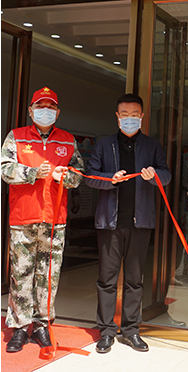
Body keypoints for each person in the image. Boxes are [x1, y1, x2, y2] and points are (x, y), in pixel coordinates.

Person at [85, 93, 171, 354]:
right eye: (125, 114)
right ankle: (106, 332)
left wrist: (154, 175)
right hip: (109, 223)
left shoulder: (151, 145)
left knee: (135, 280)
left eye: (135, 115)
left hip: (140, 222)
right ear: (117, 116)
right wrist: (109, 179)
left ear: (142, 116)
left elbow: (166, 175)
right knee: (106, 280)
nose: (130, 119)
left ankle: (131, 330)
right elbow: (89, 176)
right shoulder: (105, 145)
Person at [1, 87, 84, 352]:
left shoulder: (68, 140)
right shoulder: (16, 137)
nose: (45, 111)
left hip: (54, 219)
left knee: (48, 276)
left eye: (50, 107)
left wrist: (66, 176)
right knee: (21, 274)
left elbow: (79, 174)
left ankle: (41, 325)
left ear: (57, 113)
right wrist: (33, 172)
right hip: (23, 217)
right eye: (40, 106)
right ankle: (19, 327)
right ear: (31, 110)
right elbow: (5, 169)